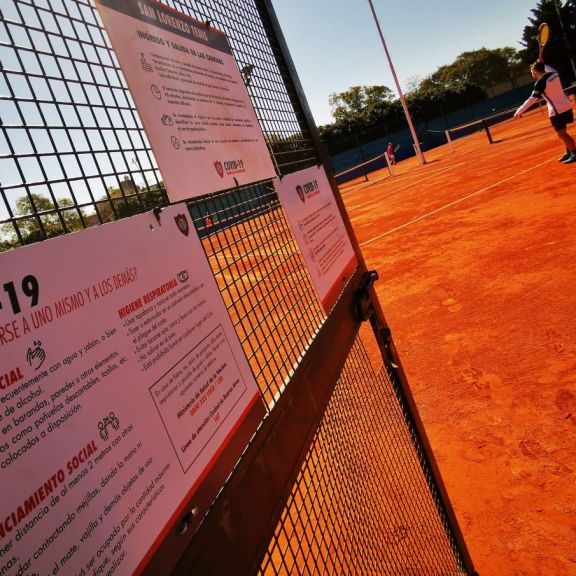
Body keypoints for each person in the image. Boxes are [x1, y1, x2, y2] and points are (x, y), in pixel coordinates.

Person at [514, 60, 576, 164]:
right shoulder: (554, 73)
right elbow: (548, 68)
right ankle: (569, 151)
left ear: (534, 71)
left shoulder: (540, 83)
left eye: (532, 71)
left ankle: (574, 152)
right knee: (563, 132)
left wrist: (519, 111)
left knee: (561, 134)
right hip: (566, 106)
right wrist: (541, 63)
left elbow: (532, 99)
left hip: (556, 111)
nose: (532, 73)